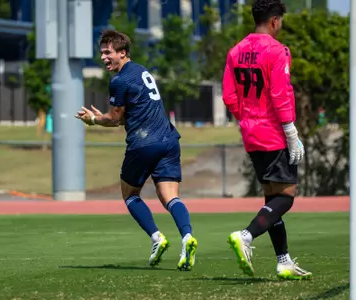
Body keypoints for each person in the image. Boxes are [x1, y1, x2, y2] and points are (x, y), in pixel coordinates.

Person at [75, 29, 198, 271]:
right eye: (101, 53)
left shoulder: (119, 80)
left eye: (107, 52)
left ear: (122, 52)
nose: (103, 58)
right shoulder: (141, 70)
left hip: (144, 143)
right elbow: (122, 116)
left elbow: (114, 119)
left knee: (130, 194)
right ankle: (187, 238)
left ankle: (156, 238)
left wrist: (93, 120)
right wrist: (109, 117)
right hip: (169, 139)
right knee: (170, 197)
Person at [222, 0, 312, 280]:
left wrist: (247, 118)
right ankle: (246, 235)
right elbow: (280, 93)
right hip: (274, 133)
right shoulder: (277, 50)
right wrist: (291, 132)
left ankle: (283, 261)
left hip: (251, 133)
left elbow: (229, 96)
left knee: (271, 198)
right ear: (274, 20)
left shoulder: (235, 51)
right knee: (286, 197)